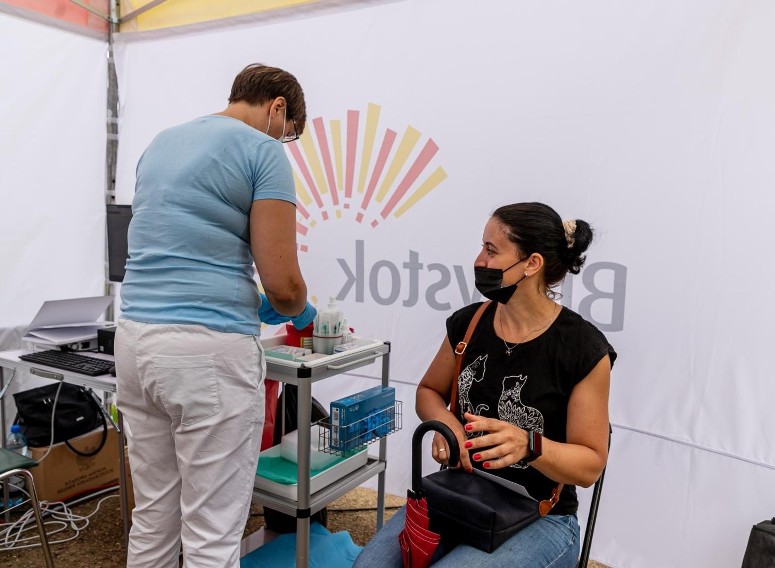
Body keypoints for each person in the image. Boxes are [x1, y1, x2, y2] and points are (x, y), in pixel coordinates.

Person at [114, 63, 317, 568]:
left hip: (136, 342)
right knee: (211, 532)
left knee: (154, 515)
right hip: (206, 354)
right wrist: (295, 303)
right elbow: (283, 284)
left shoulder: (161, 142)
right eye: (290, 135)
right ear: (277, 110)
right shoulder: (263, 151)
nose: (284, 143)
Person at [355, 202, 616, 568]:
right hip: (462, 492)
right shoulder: (469, 323)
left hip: (542, 516)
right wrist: (448, 426)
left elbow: (590, 466)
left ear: (532, 264)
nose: (479, 260)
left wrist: (529, 445)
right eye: (482, 247)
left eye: (492, 251)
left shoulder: (583, 349)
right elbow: (429, 391)